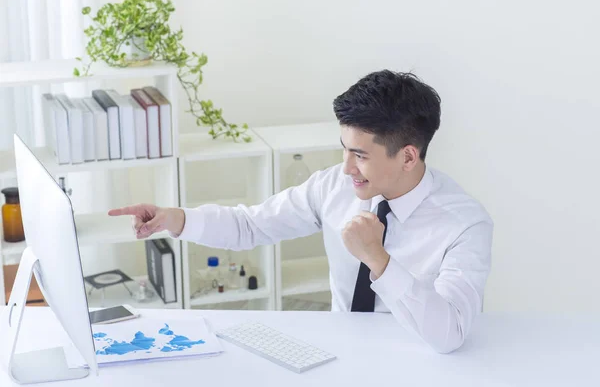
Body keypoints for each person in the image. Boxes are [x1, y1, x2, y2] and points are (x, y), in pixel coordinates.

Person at [109, 70, 493, 354]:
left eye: (360, 155)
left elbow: (450, 333)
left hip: (418, 364)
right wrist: (174, 218)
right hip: (338, 354)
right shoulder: (334, 186)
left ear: (408, 155)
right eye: (344, 149)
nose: (346, 168)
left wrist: (378, 259)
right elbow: (250, 225)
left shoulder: (464, 224)